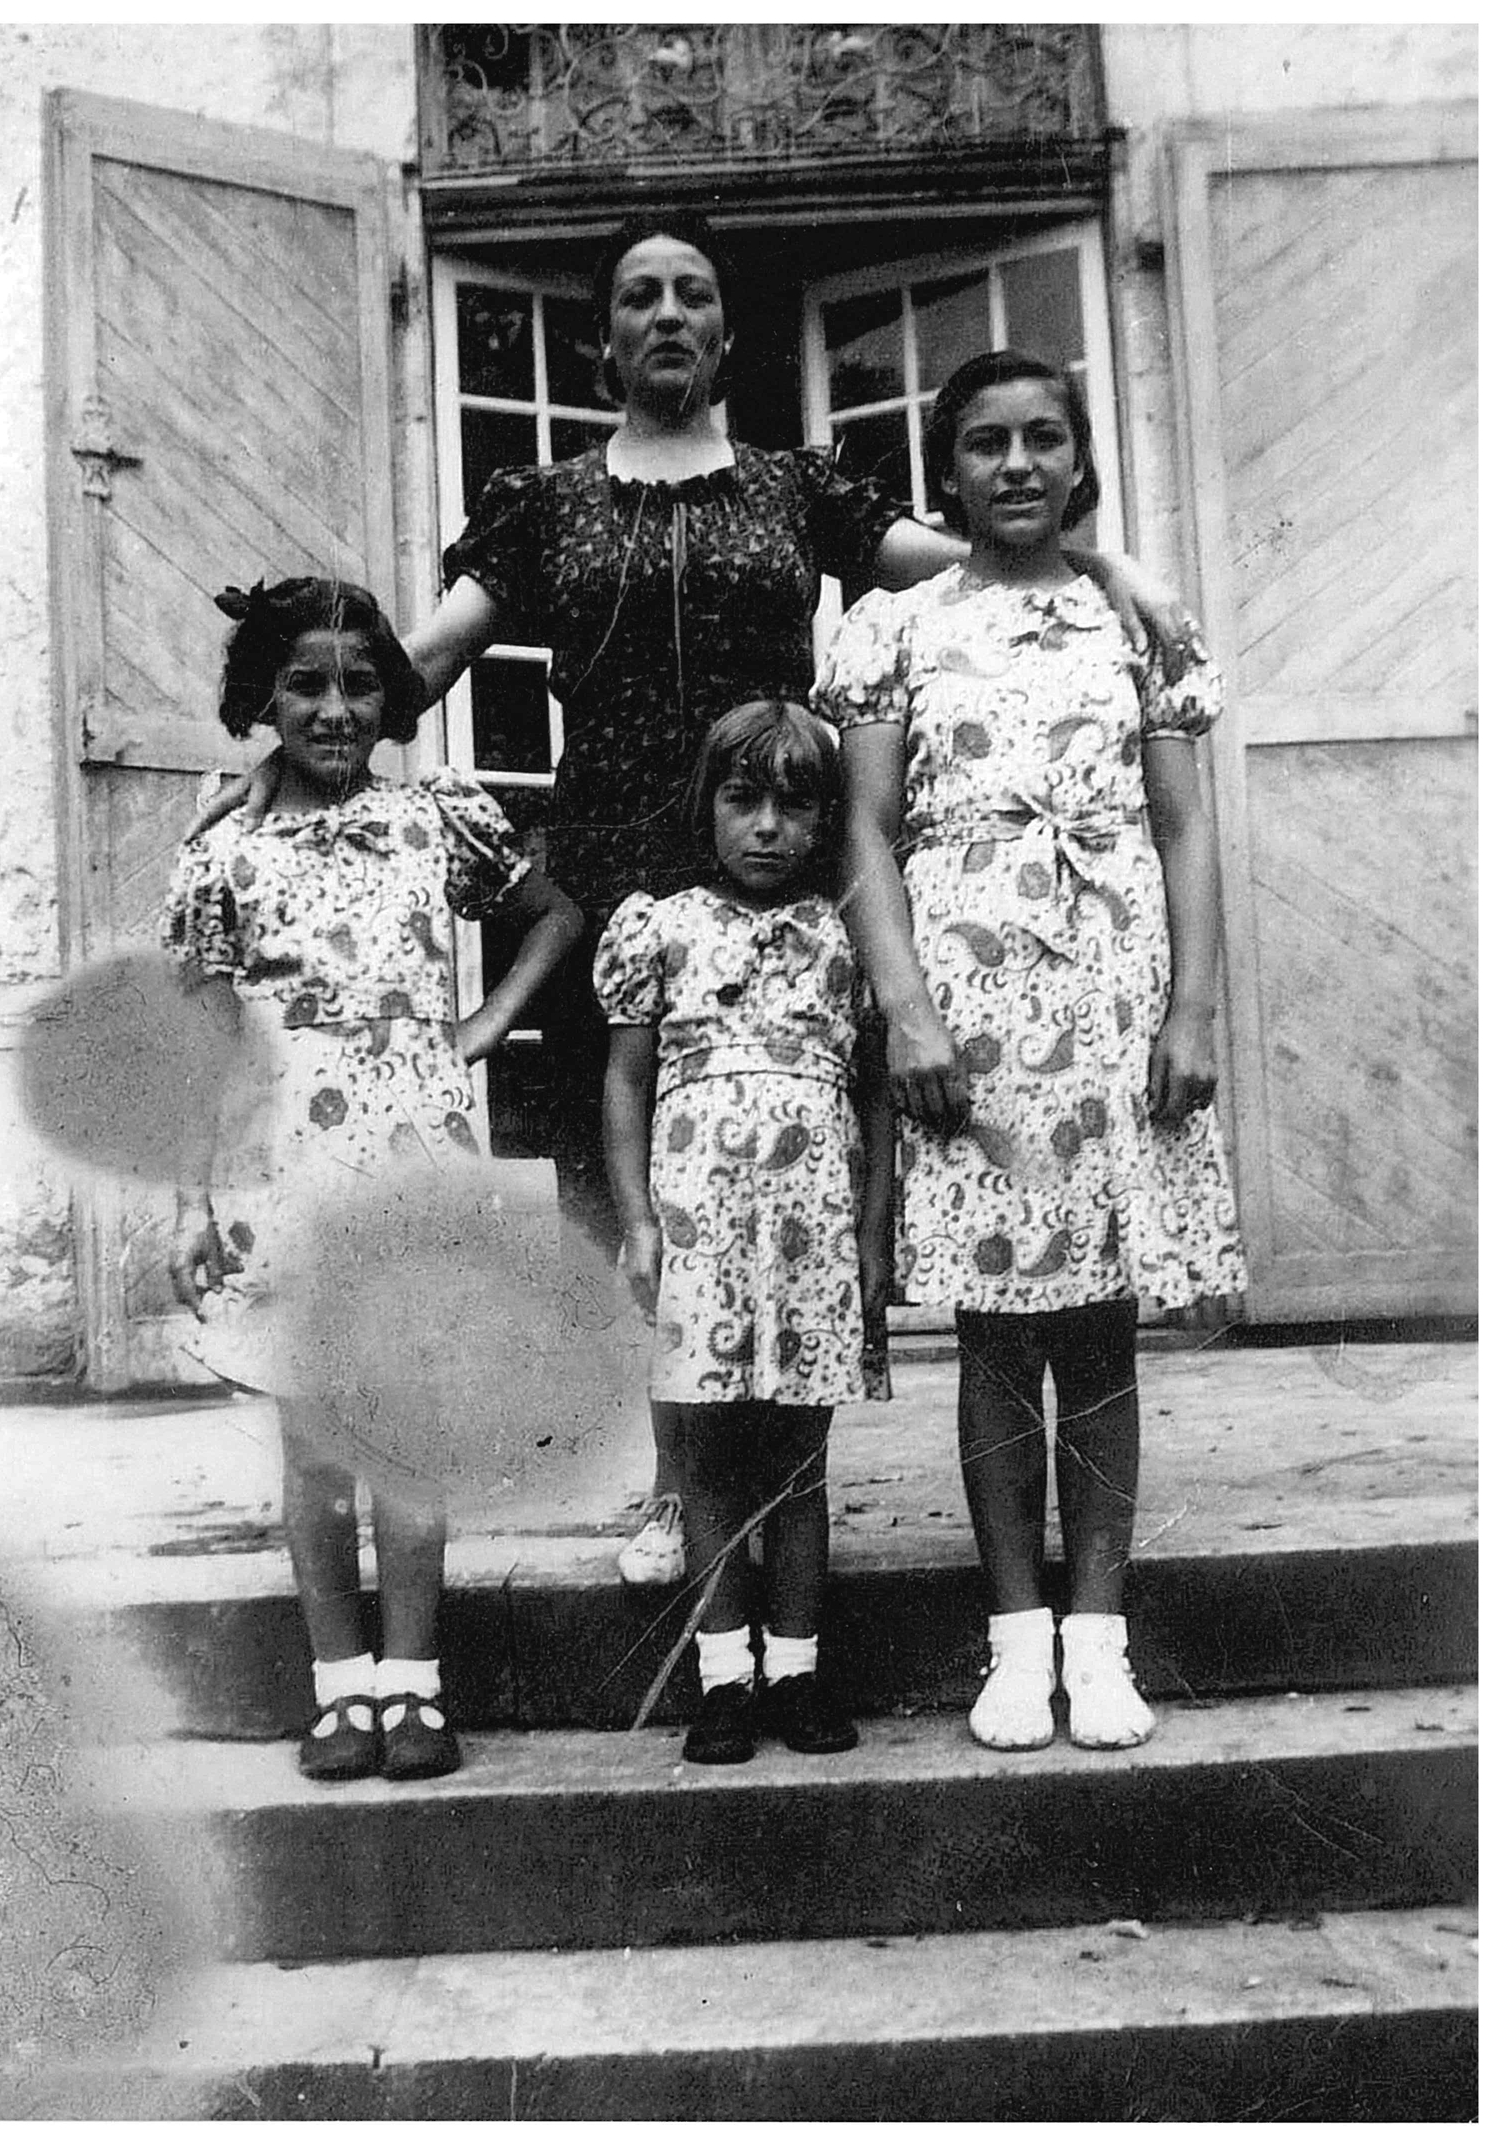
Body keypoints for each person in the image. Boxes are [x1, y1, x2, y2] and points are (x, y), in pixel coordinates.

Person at [188, 210, 1202, 1590]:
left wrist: (1114, 567)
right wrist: (278, 756)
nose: (666, 314)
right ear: (603, 340)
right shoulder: (542, 504)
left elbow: (981, 561)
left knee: (778, 1170)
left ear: (725, 332)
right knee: (630, 1188)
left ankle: (779, 1481)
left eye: (692, 295)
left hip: (773, 867)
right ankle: (673, 1488)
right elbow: (403, 672)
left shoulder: (797, 489)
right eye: (638, 297)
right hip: (611, 882)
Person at [815, 351, 1246, 1753]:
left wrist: (1189, 1009)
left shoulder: (1133, 623)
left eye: (1043, 438)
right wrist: (905, 1009)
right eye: (987, 443)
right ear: (947, 471)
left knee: (1101, 1332)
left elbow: (1181, 825)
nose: (1016, 465)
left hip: (1113, 997)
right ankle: (1013, 1639)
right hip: (970, 1010)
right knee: (997, 1339)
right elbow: (864, 828)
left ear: (1078, 461)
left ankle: (1096, 1638)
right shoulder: (893, 627)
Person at [162, 578, 582, 1782]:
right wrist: (191, 1205)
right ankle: (339, 1688)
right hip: (283, 1173)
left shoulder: (430, 818)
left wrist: (485, 1022)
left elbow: (553, 915)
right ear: (263, 699)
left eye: (358, 685)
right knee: (314, 1450)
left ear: (390, 696)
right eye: (305, 685)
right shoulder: (226, 852)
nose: (335, 710)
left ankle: (413, 1684)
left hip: (411, 1160)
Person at [594, 701, 889, 1763]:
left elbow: (874, 1096)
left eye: (794, 806)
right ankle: (724, 1677)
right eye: (742, 799)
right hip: (701, 1233)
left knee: (799, 1462)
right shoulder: (660, 927)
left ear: (823, 821)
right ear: (706, 807)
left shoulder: (846, 935)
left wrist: (872, 1231)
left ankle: (796, 1670)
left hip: (810, 1235)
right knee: (711, 1458)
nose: (767, 826)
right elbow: (626, 1085)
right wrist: (637, 1220)